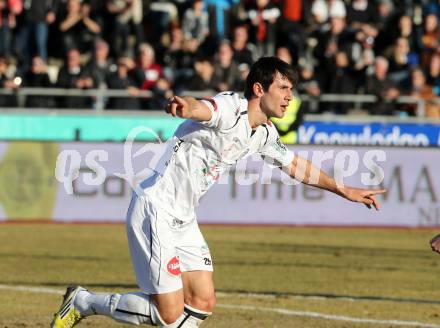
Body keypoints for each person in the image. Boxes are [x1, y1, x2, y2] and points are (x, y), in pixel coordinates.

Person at [51, 57, 386, 328]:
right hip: (157, 209)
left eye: (291, 90)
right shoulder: (232, 108)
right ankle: (83, 301)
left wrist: (345, 190)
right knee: (168, 314)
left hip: (183, 219)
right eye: (283, 88)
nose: (289, 96)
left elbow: (296, 165)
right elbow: (204, 108)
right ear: (259, 88)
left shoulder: (263, 133)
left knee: (201, 302)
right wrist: (186, 107)